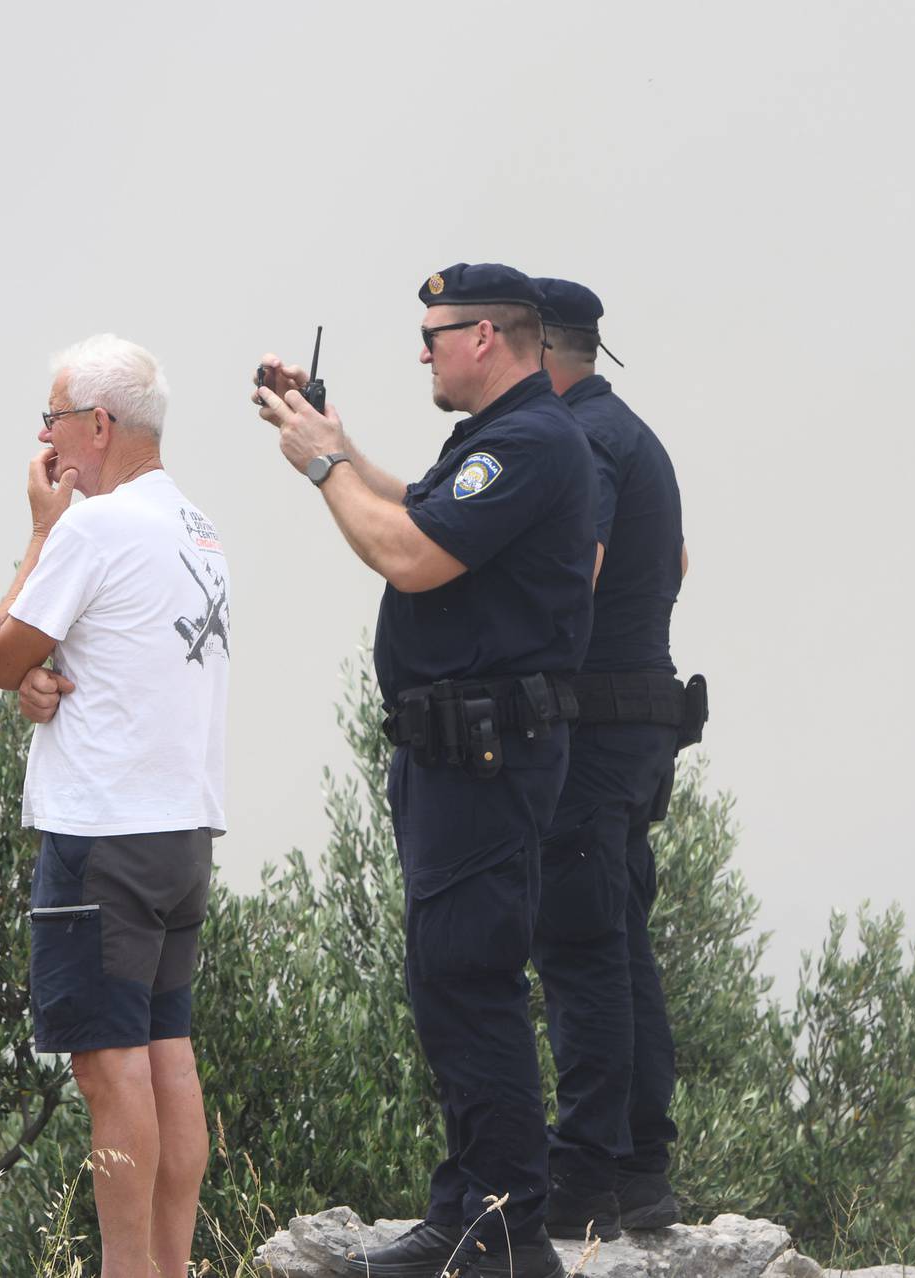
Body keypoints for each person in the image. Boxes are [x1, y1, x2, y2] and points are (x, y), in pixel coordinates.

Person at [253, 264, 597, 1278]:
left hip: (482, 756)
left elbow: (408, 552)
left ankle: (502, 1228)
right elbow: (420, 500)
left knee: (469, 977)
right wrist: (337, 439)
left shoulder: (531, 443)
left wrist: (322, 472)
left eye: (435, 333)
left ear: (485, 337)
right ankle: (474, 1209)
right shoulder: (502, 441)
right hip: (460, 753)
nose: (424, 350)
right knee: (451, 978)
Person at [0, 334, 229, 1278]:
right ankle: (170, 1266)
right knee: (168, 1052)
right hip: (182, 832)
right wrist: (46, 678)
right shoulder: (200, 531)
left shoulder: (94, 528)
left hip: (102, 834)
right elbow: (112, 662)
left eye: (51, 418)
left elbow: (3, 651)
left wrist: (42, 526)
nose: (43, 437)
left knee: (110, 1067)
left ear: (98, 424)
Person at [529, 277, 694, 1240]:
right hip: (638, 725)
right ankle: (638, 1167)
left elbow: (575, 566)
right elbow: (674, 564)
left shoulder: (583, 441)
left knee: (583, 949)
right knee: (621, 943)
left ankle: (588, 1176)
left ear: (540, 349)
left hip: (591, 732)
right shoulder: (632, 432)